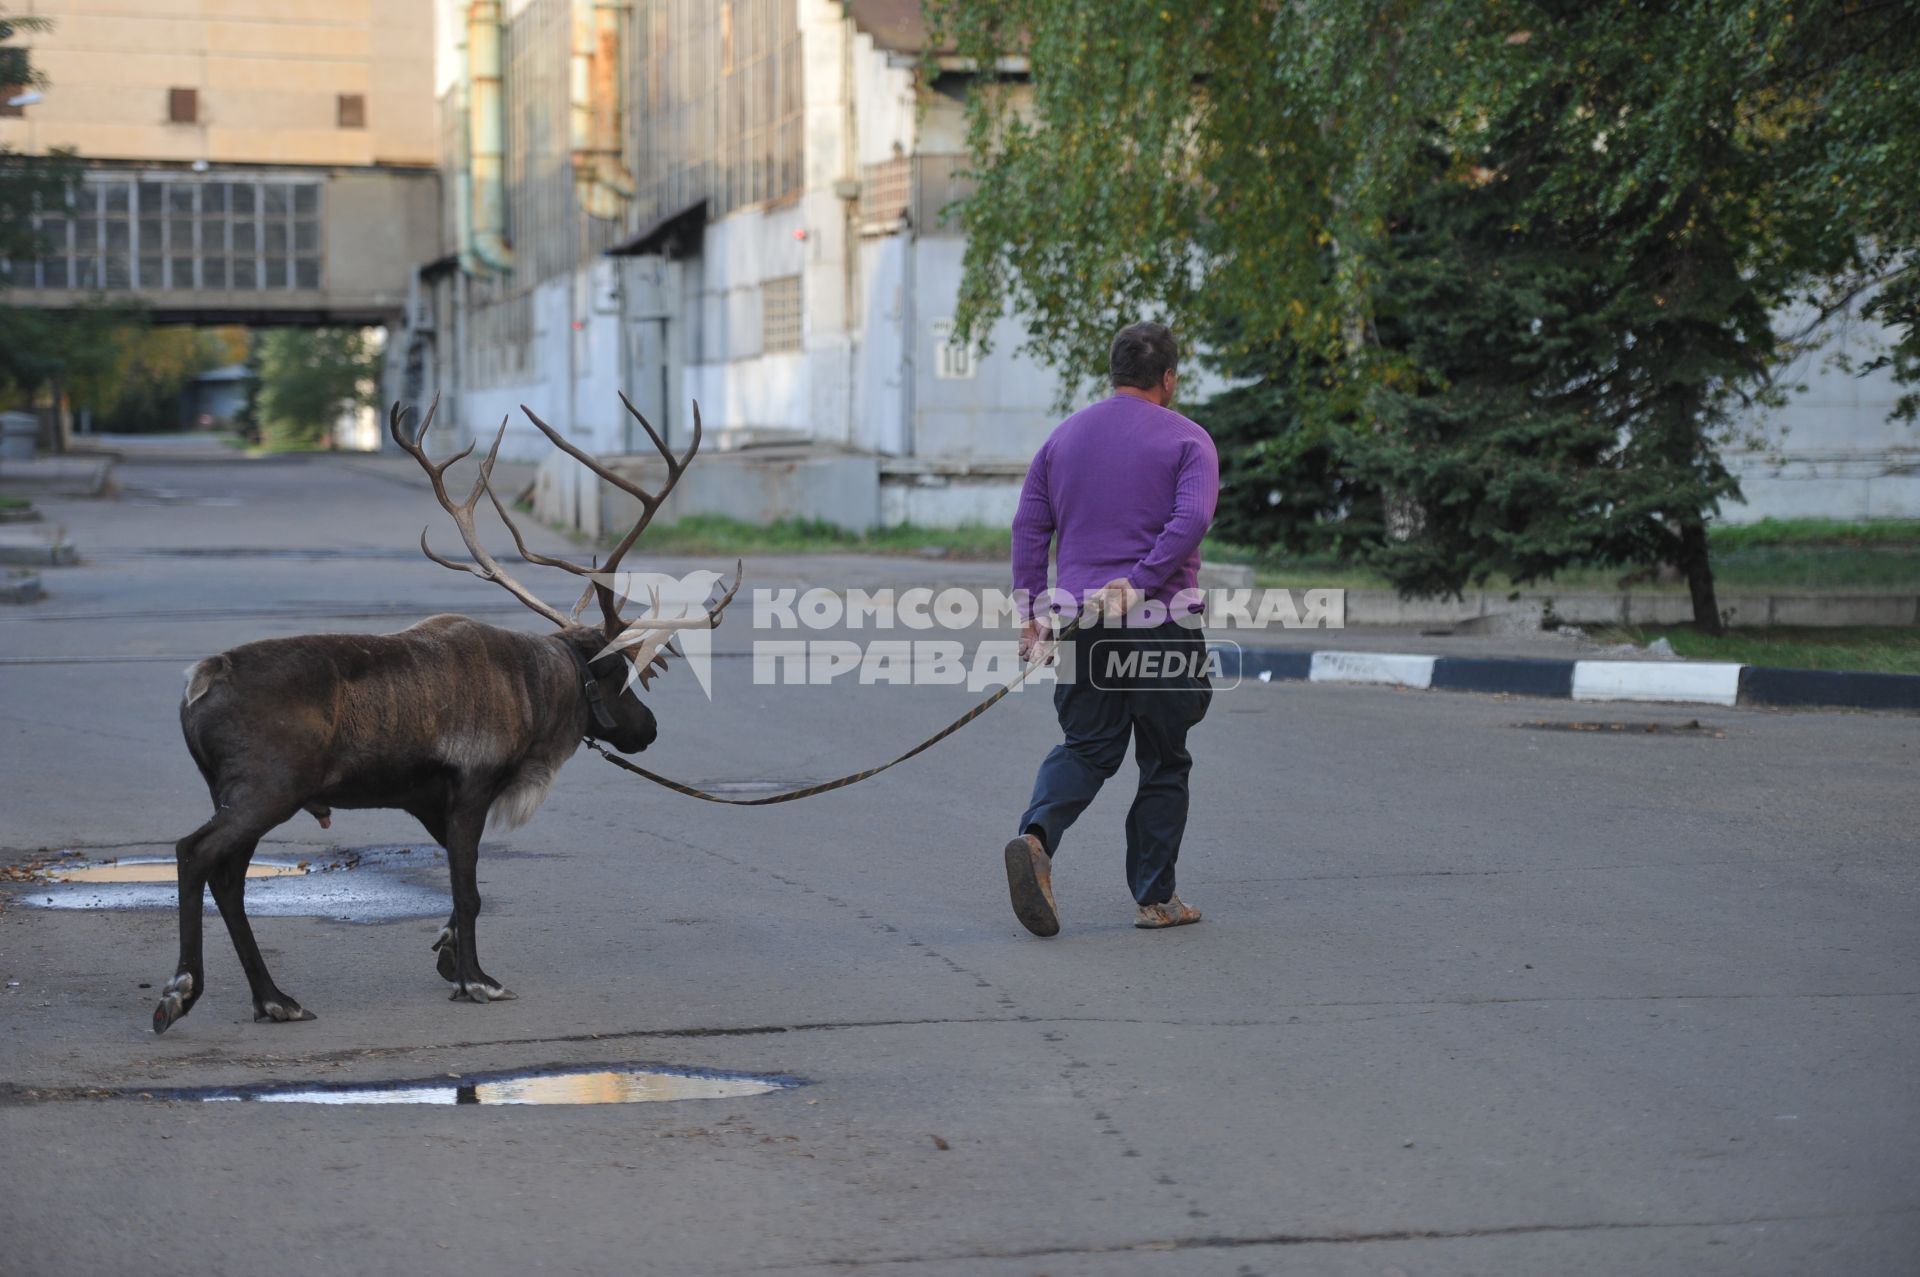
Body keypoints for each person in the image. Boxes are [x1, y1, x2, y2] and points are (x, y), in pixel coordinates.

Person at [1003, 321, 1220, 936]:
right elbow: (1192, 517)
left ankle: (1036, 838)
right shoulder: (1189, 440)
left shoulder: (1063, 440)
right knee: (1164, 757)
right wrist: (1142, 580)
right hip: (1161, 621)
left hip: (1080, 625)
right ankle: (1156, 900)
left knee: (1087, 746)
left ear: (1115, 373)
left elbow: (1028, 527)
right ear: (1169, 378)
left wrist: (1034, 614)